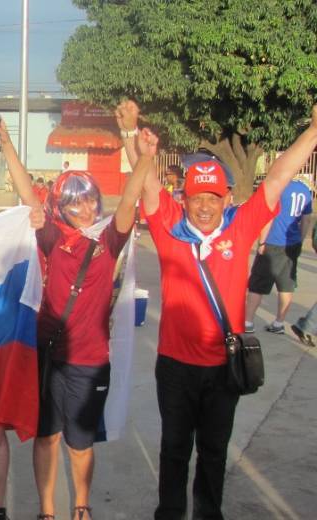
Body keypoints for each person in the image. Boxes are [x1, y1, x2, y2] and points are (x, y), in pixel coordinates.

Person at [118, 100, 317, 520]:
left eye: (213, 197)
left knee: (212, 451)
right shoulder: (167, 226)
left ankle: (209, 514)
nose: (204, 206)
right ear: (184, 199)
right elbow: (149, 183)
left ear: (227, 198)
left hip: (223, 366)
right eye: (196, 198)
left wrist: (313, 131)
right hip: (174, 367)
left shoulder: (241, 227)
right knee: (174, 449)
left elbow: (279, 176)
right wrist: (131, 135)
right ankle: (170, 513)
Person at [0, 113, 151, 520]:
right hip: (48, 357)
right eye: (73, 200)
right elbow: (27, 192)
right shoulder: (51, 238)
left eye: (89, 198)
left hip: (90, 362)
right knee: (46, 438)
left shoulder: (110, 241)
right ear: (60, 206)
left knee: (80, 445)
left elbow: (130, 200)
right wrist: (6, 141)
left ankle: (81, 504)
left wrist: (146, 159)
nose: (83, 207)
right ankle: (47, 510)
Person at [245, 179, 312, 334]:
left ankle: (248, 321)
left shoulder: (276, 186)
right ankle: (279, 323)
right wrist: (300, 240)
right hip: (292, 242)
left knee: (258, 284)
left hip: (273, 241)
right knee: (286, 285)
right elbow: (306, 219)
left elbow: (268, 216)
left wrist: (262, 242)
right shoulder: (303, 189)